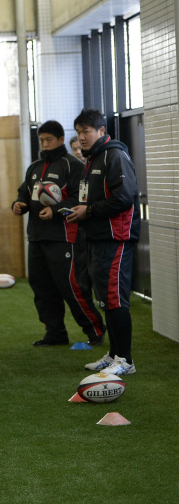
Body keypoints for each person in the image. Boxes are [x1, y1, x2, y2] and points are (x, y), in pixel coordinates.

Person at [12, 120, 105, 347]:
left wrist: (55, 211)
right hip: (36, 237)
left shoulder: (73, 166)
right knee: (41, 287)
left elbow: (80, 199)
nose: (44, 144)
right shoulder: (34, 167)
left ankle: (95, 330)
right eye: (41, 140)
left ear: (61, 139)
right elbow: (24, 193)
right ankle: (55, 333)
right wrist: (18, 204)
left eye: (49, 140)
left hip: (64, 237)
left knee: (71, 286)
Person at [67, 108, 141, 376]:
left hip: (116, 239)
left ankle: (126, 360)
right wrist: (80, 210)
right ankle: (114, 355)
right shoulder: (92, 159)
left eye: (86, 131)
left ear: (101, 131)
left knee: (115, 299)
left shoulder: (115, 155)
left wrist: (89, 211)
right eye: (78, 132)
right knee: (107, 300)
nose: (81, 137)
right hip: (97, 238)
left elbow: (124, 198)